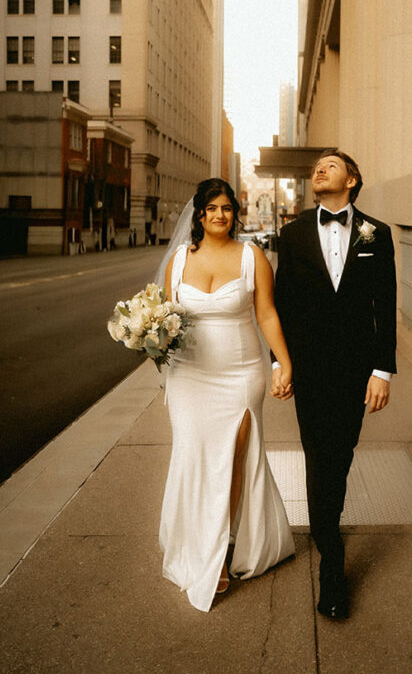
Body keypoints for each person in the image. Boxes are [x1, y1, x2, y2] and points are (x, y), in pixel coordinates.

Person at [158, 178, 295, 612]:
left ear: (235, 214)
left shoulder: (252, 256)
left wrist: (283, 362)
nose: (220, 215)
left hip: (240, 373)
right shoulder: (179, 260)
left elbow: (267, 313)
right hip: (189, 377)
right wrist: (149, 338)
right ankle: (199, 542)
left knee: (232, 457)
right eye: (212, 208)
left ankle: (221, 548)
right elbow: (166, 317)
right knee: (194, 455)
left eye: (227, 208)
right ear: (199, 213)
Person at [274, 149, 397, 619]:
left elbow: (383, 304)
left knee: (338, 457)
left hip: (354, 369)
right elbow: (282, 303)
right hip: (308, 369)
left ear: (352, 178)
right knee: (316, 455)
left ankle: (327, 525)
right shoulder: (294, 232)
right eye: (316, 167)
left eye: (329, 164)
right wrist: (279, 363)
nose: (318, 170)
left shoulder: (376, 233)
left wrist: (382, 370)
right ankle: (333, 564)